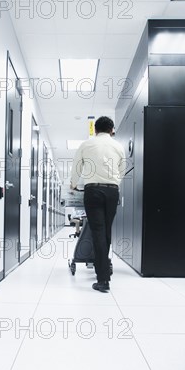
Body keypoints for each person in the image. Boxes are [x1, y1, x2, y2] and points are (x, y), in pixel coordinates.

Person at [70, 116, 126, 293]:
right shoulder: (118, 146)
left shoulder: (86, 144)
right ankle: (103, 271)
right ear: (112, 130)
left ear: (95, 130)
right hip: (112, 191)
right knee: (106, 231)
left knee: (97, 232)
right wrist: (114, 183)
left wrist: (73, 184)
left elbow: (77, 166)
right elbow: (121, 169)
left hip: (93, 191)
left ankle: (102, 278)